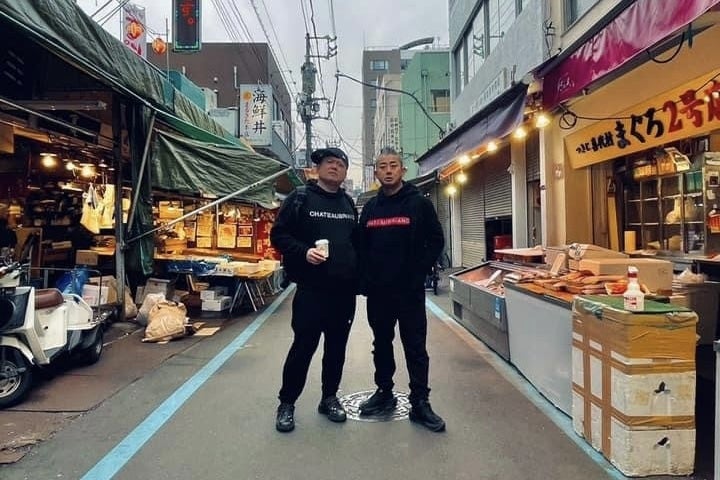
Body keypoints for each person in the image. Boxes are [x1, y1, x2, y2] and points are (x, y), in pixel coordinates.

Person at [357, 146, 446, 432]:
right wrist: (366, 280)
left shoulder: (418, 203)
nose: (388, 171)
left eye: (393, 165)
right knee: (381, 344)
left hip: (409, 293)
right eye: (382, 166)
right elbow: (361, 247)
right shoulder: (370, 208)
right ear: (376, 172)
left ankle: (420, 401)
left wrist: (417, 272)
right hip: (379, 294)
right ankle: (384, 392)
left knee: (415, 347)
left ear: (402, 169)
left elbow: (436, 240)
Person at [270, 147, 359, 433]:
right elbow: (278, 235)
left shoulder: (347, 202)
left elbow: (355, 243)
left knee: (336, 349)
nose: (334, 167)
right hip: (311, 291)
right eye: (329, 163)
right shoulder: (300, 198)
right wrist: (304, 252)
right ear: (317, 169)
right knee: (303, 348)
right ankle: (286, 404)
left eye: (340, 164)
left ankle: (329, 398)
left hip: (343, 293)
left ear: (345, 172)